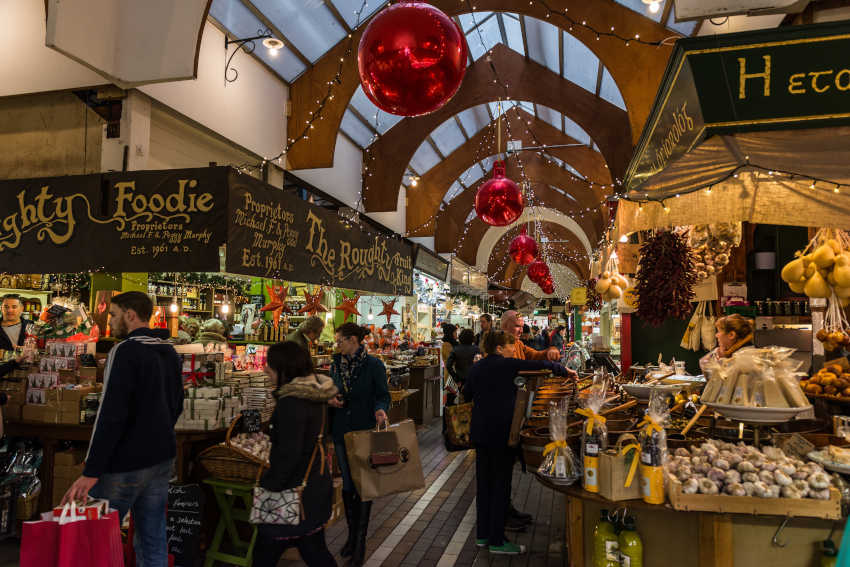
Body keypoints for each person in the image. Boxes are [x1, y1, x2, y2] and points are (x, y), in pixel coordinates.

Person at [63, 291, 183, 567]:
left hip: (126, 461)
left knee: (98, 539)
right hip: (162, 457)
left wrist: (92, 469)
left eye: (114, 315)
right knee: (153, 539)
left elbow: (111, 413)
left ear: (130, 315)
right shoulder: (169, 352)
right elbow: (177, 404)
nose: (110, 321)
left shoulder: (125, 351)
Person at [464, 331, 570, 556]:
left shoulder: (476, 368)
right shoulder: (508, 364)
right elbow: (542, 366)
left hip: (480, 433)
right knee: (501, 485)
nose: (514, 349)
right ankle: (497, 541)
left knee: (484, 486)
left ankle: (483, 535)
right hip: (502, 434)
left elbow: (467, 394)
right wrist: (565, 370)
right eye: (510, 345)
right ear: (499, 348)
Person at [254, 341, 338, 567]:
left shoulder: (291, 403)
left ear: (284, 369)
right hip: (313, 486)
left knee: (265, 553)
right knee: (314, 550)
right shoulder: (315, 395)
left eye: (270, 366)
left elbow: (288, 454)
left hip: (292, 492)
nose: (266, 370)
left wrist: (269, 485)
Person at [328, 323, 391, 567]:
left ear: (353, 340)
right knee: (347, 485)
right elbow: (331, 390)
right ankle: (351, 537)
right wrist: (331, 399)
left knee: (363, 485)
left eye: (340, 341)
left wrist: (380, 410)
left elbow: (383, 395)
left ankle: (360, 543)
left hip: (364, 430)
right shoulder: (335, 364)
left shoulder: (373, 365)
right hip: (341, 430)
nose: (337, 345)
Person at [501, 311, 565, 362]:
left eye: (522, 327)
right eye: (517, 326)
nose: (521, 331)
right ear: (504, 326)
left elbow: (534, 354)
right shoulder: (500, 346)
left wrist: (548, 352)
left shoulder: (518, 343)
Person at [446, 329, 479, 403]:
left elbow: (448, 365)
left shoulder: (455, 350)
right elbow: (479, 365)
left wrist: (456, 378)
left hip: (461, 380)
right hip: (474, 380)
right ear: (472, 338)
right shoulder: (477, 350)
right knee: (474, 402)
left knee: (463, 402)